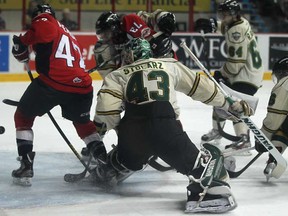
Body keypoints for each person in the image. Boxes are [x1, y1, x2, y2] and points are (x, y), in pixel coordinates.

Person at [89, 38, 254, 213]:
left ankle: (111, 167)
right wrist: (229, 104)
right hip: (165, 128)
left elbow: (106, 111)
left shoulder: (117, 74)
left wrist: (117, 131)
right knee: (203, 164)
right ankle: (208, 195)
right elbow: (202, 88)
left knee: (125, 156)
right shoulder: (168, 65)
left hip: (132, 133)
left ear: (129, 56)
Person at [11, 4, 106, 186]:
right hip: (82, 86)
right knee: (83, 125)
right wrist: (24, 49)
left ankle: (26, 164)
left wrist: (23, 41)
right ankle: (105, 162)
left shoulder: (44, 19)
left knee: (23, 116)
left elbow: (42, 30)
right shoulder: (67, 33)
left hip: (53, 84)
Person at [81, 10, 177, 157]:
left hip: (156, 68)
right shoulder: (105, 47)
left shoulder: (129, 21)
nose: (105, 38)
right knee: (104, 105)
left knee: (163, 108)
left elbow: (148, 37)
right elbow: (111, 75)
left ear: (113, 27)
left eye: (106, 33)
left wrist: (164, 17)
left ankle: (171, 140)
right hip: (131, 76)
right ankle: (96, 141)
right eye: (101, 35)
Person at [195, 0, 264, 152]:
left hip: (246, 75)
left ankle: (243, 139)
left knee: (234, 106)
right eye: (222, 15)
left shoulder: (236, 32)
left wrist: (221, 73)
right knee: (219, 97)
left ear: (234, 15)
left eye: (226, 15)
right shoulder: (239, 22)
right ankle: (218, 131)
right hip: (246, 72)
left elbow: (235, 64)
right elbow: (227, 26)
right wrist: (213, 24)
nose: (224, 18)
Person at [255, 56, 288, 180]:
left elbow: (275, 118)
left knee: (283, 126)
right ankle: (274, 157)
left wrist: (263, 138)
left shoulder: (284, 83)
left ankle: (274, 158)